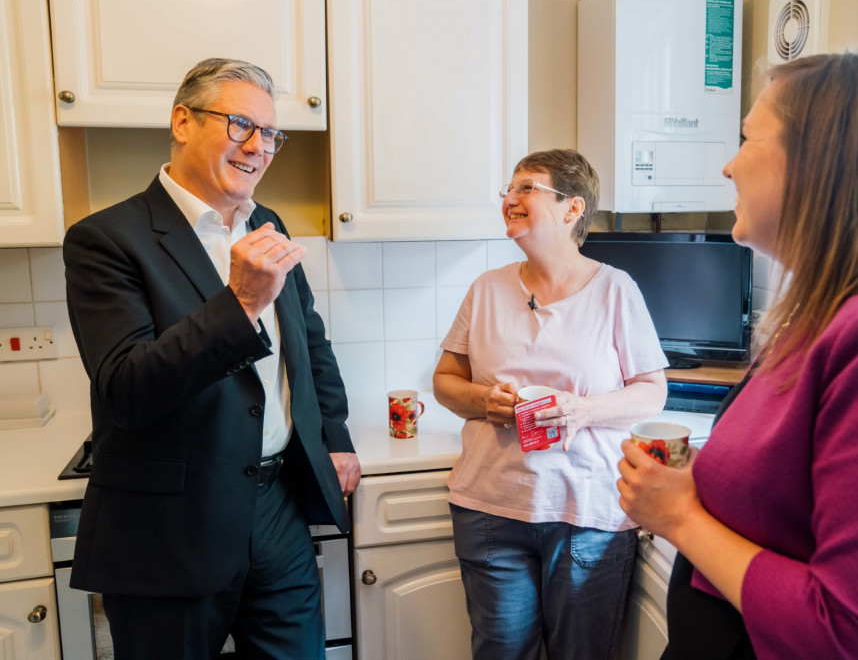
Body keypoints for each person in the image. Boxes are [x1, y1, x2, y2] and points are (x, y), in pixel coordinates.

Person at [617, 50, 858, 660]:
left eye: (746, 139)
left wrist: (682, 516)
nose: (728, 166)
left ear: (820, 161)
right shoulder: (828, 314)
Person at [63, 58, 361, 659]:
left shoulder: (268, 222)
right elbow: (128, 388)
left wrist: (335, 435)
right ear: (182, 121)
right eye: (239, 125)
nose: (259, 147)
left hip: (278, 510)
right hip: (170, 526)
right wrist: (242, 301)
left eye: (271, 134)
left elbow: (309, 342)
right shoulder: (105, 241)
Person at [433, 148, 668, 659]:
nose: (510, 199)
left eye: (526, 188)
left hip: (588, 511)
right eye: (509, 189)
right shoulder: (486, 289)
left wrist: (583, 411)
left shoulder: (615, 290)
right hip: (492, 504)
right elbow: (446, 382)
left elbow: (653, 390)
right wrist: (483, 401)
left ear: (572, 208)